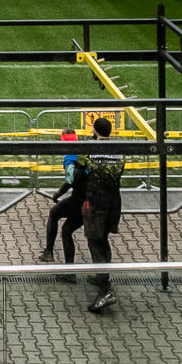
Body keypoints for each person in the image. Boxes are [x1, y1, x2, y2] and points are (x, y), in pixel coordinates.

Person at [74, 116, 124, 314]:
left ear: (94, 131)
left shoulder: (89, 150)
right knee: (103, 239)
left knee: (95, 241)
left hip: (95, 201)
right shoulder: (119, 151)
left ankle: (105, 289)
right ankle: (103, 277)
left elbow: (77, 174)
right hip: (114, 201)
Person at [35, 129, 83, 274]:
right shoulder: (82, 149)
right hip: (93, 198)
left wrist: (57, 194)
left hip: (79, 199)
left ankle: (48, 251)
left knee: (54, 213)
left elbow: (70, 179)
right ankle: (70, 271)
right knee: (67, 230)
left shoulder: (69, 157)